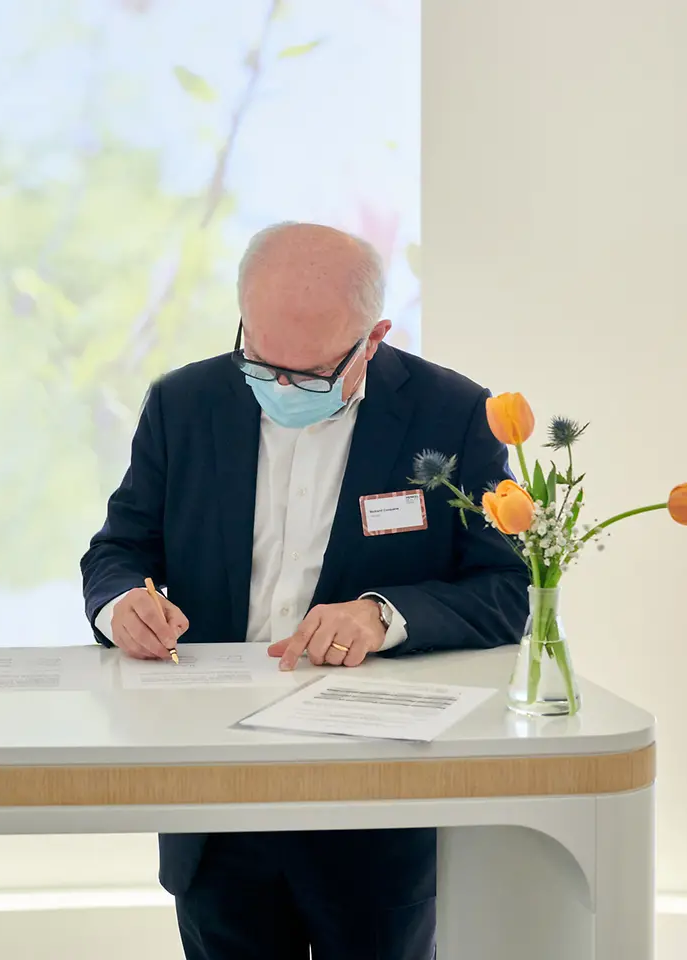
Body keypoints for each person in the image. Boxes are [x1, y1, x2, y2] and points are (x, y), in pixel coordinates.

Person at [80, 222, 528, 959]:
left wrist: (384, 617)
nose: (282, 388)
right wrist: (120, 602)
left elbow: (505, 586)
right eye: (261, 362)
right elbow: (119, 549)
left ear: (373, 338)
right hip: (216, 801)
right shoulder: (183, 403)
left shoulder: (452, 415)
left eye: (313, 374)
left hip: (375, 806)